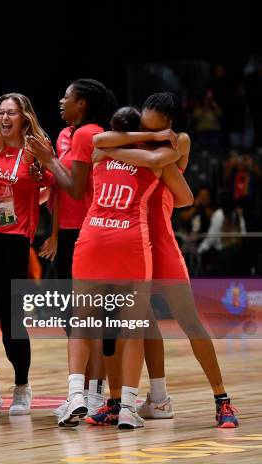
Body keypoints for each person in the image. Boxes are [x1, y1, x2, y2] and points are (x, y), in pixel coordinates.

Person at [87, 93, 239, 428]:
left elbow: (158, 164)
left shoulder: (180, 140)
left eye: (156, 129)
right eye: (143, 126)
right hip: (129, 242)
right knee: (138, 325)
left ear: (169, 126)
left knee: (190, 322)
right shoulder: (146, 140)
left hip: (161, 244)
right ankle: (148, 399)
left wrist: (119, 150)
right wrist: (146, 139)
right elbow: (100, 143)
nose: (149, 132)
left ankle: (222, 400)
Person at [28, 79, 117, 416]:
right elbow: (59, 189)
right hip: (67, 232)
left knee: (91, 318)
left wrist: (50, 161)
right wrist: (51, 232)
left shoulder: (87, 135)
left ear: (82, 103)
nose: (61, 100)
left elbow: (75, 188)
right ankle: (92, 394)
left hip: (89, 231)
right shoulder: (68, 135)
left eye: (67, 96)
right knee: (76, 316)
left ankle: (91, 395)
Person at [0, 93, 51, 416]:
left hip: (16, 241)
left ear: (24, 117)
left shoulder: (34, 151)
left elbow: (52, 187)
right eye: (0, 113)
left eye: (11, 113)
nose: (4, 118)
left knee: (12, 318)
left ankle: (21, 384)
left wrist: (36, 196)